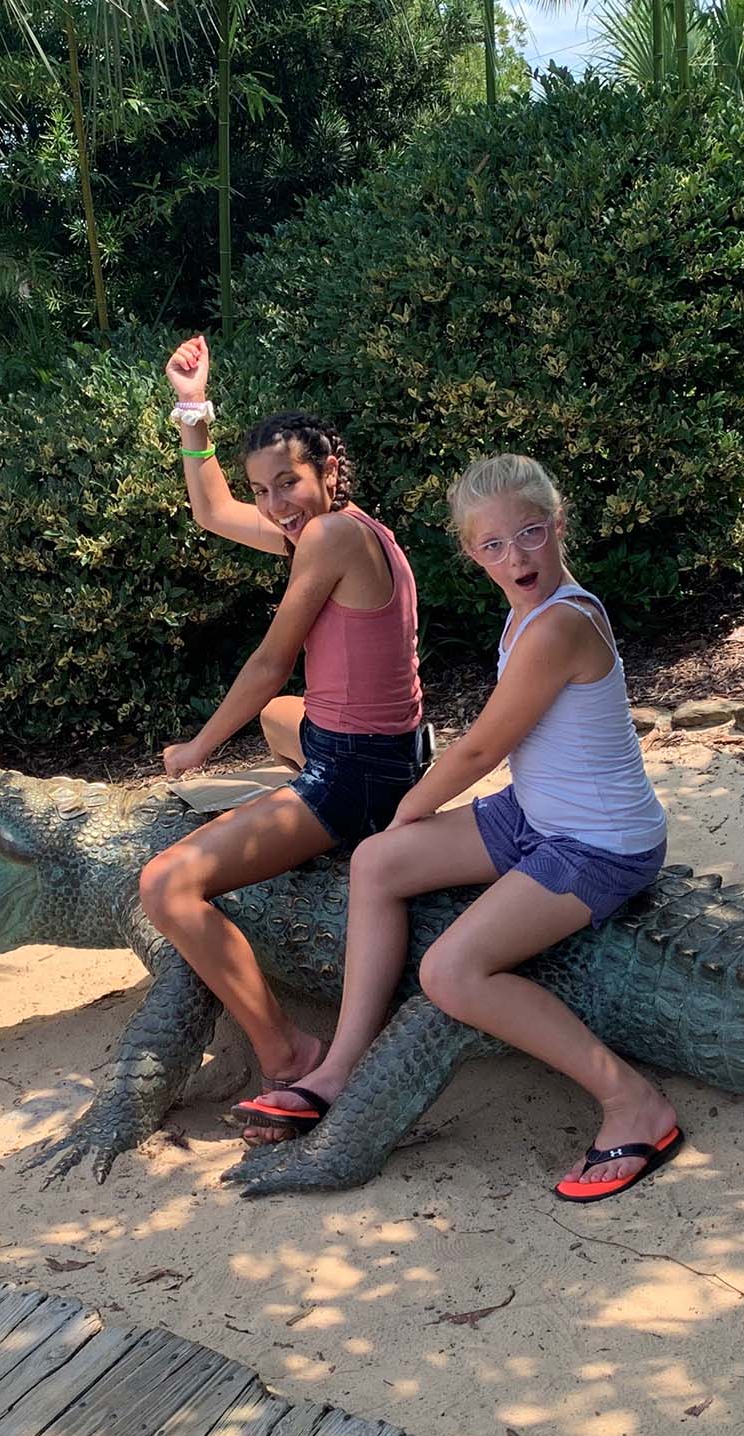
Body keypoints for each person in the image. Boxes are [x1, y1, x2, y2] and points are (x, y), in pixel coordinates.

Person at [235, 453, 681, 1201]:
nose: (518, 556)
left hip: (599, 843)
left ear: (558, 524)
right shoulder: (524, 611)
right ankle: (342, 1063)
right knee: (377, 863)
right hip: (536, 815)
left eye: (532, 533)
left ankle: (632, 1101)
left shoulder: (560, 624)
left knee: (449, 971)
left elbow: (480, 748)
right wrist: (399, 832)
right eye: (494, 545)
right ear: (471, 552)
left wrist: (410, 809)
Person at [138, 335, 428, 1112]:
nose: (274, 505)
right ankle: (309, 781)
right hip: (390, 748)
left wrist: (197, 749)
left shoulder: (330, 537)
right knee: (277, 717)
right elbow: (211, 510)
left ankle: (287, 1050)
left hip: (358, 776)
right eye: (263, 489)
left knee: (166, 885)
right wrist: (192, 410)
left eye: (288, 483)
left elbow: (270, 660)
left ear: (329, 472)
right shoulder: (339, 529)